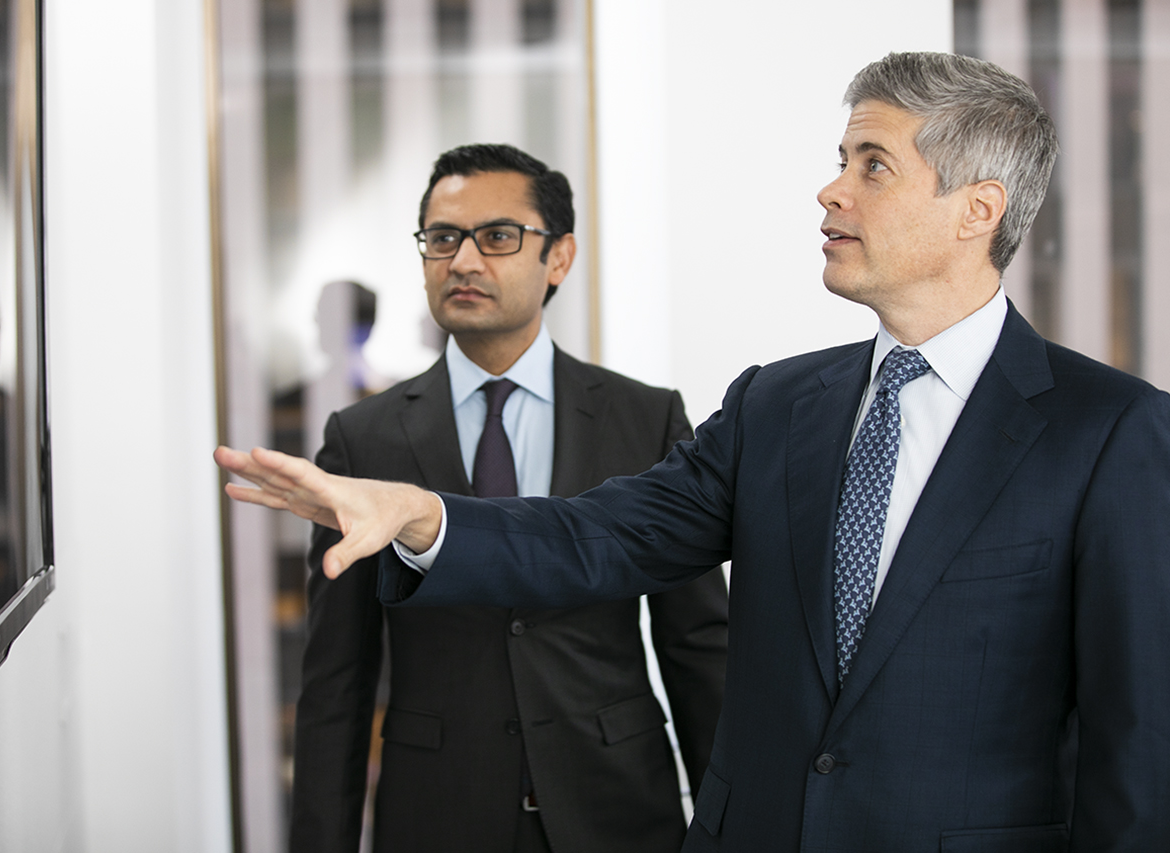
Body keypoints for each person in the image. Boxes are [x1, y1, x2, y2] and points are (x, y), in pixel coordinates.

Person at [218, 53, 1170, 851]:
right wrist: (425, 516)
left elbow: (1135, 743)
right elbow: (600, 536)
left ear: (977, 209)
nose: (829, 188)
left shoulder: (1111, 431)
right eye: (840, 158)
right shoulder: (777, 402)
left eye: (871, 164)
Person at [287, 143, 729, 853]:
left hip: (616, 804)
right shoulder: (362, 439)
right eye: (442, 238)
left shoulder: (643, 418)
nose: (463, 261)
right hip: (440, 809)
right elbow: (336, 679)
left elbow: (700, 645)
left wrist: (734, 828)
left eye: (497, 237)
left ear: (559, 258)